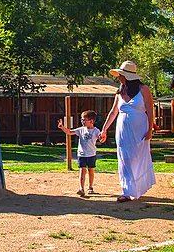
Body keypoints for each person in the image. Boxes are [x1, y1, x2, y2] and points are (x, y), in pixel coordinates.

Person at [99, 61, 156, 202]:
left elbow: (150, 110)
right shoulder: (119, 93)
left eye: (121, 75)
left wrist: (150, 130)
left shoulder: (144, 89)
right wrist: (104, 129)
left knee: (137, 157)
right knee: (125, 158)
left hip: (140, 130)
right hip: (123, 131)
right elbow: (113, 112)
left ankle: (137, 188)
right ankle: (126, 191)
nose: (119, 78)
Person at [58, 110, 101, 196]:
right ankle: (81, 188)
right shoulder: (81, 130)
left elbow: (101, 139)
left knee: (91, 170)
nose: (82, 121)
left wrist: (103, 137)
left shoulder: (96, 131)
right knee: (82, 170)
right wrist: (62, 127)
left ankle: (90, 187)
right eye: (82, 119)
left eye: (84, 120)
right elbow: (69, 132)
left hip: (91, 154)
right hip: (82, 154)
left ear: (91, 121)